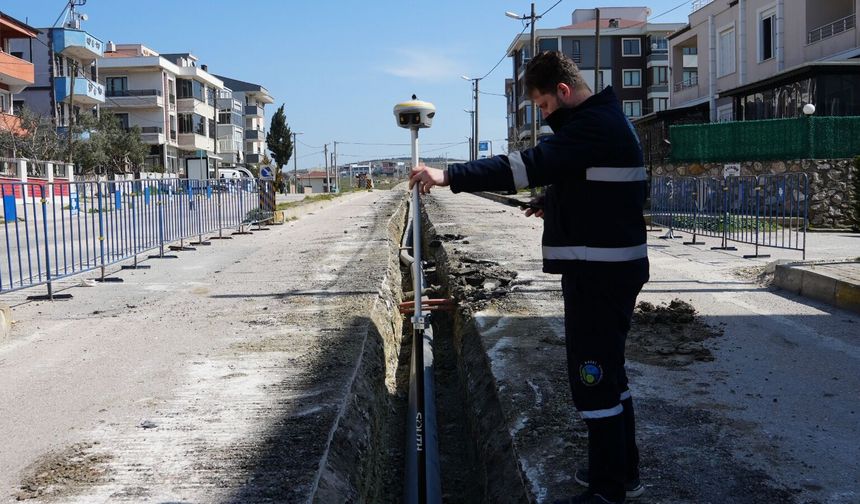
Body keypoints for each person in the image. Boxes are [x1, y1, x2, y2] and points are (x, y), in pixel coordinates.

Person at [409, 51, 649, 504]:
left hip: (599, 273)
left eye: (542, 105)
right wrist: (555, 202)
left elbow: (523, 167)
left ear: (562, 91)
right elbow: (596, 185)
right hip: (610, 268)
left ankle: (608, 489)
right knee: (612, 374)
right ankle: (621, 469)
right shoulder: (607, 122)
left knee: (593, 376)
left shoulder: (591, 126)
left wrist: (448, 175)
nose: (542, 115)